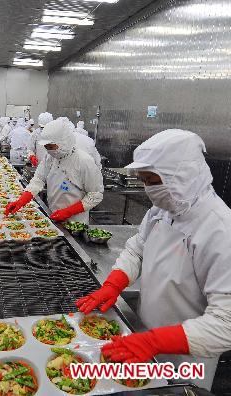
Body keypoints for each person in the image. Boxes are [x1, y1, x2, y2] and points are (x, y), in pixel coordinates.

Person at [76, 130, 231, 389]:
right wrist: (114, 283)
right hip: (140, 336)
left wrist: (155, 342)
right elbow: (137, 248)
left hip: (185, 359)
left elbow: (226, 323)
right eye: (144, 180)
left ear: (180, 176)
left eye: (152, 180)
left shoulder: (220, 230)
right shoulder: (164, 208)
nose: (148, 189)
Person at [5, 118, 103, 224]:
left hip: (76, 221)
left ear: (63, 143)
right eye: (46, 147)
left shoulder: (84, 161)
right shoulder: (51, 157)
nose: (49, 150)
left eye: (51, 146)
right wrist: (21, 200)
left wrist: (69, 211)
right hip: (53, 214)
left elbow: (95, 195)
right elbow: (39, 179)